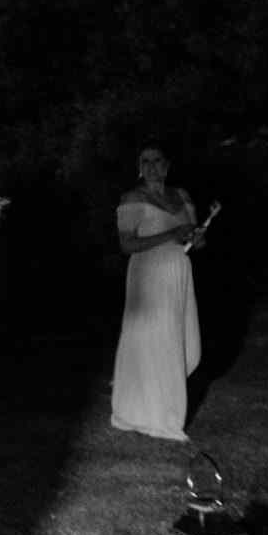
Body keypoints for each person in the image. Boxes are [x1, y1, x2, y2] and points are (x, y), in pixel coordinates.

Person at [111, 143, 210, 441]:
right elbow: (127, 245)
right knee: (151, 341)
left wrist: (197, 236)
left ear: (167, 165)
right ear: (139, 167)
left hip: (178, 275)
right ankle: (151, 414)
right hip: (147, 276)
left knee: (176, 342)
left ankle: (161, 409)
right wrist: (171, 234)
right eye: (145, 161)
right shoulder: (132, 199)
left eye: (157, 160)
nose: (152, 165)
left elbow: (195, 243)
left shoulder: (181, 196)